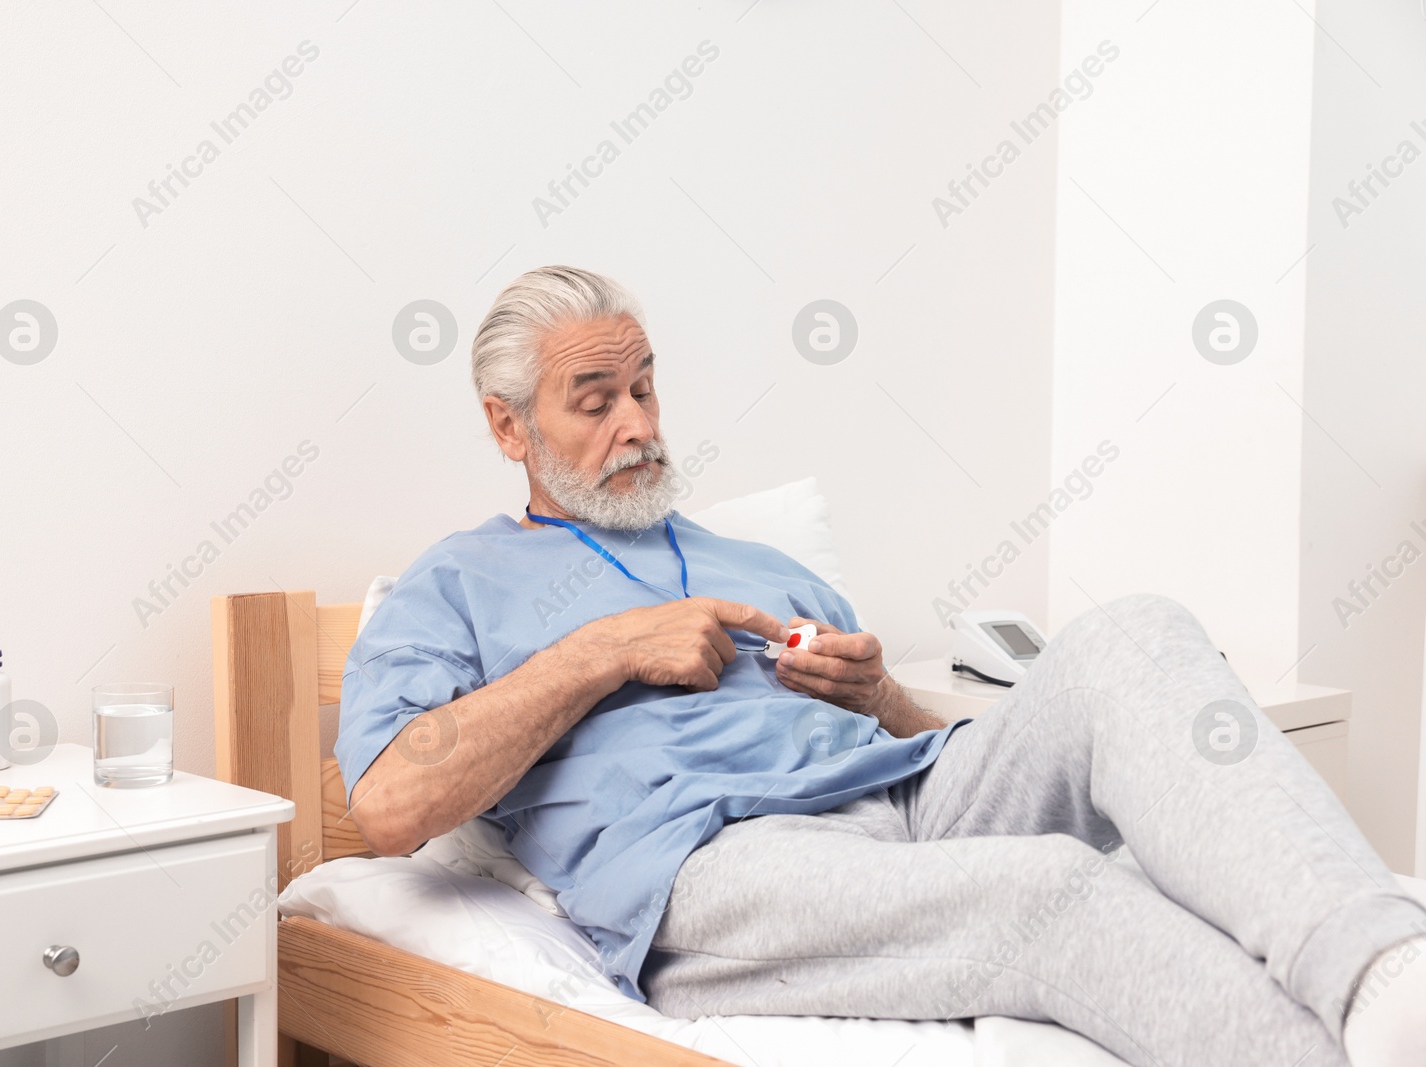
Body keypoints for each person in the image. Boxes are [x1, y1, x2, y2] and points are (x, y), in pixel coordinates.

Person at [336, 265, 1426, 1067]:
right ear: (505, 425)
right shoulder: (459, 581)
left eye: (647, 387)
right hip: (715, 860)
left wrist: (880, 694)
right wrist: (604, 649)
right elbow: (388, 802)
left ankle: (1382, 969)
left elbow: (899, 736)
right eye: (596, 398)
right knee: (1047, 889)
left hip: (903, 793)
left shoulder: (745, 557)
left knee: (1133, 632)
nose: (639, 423)